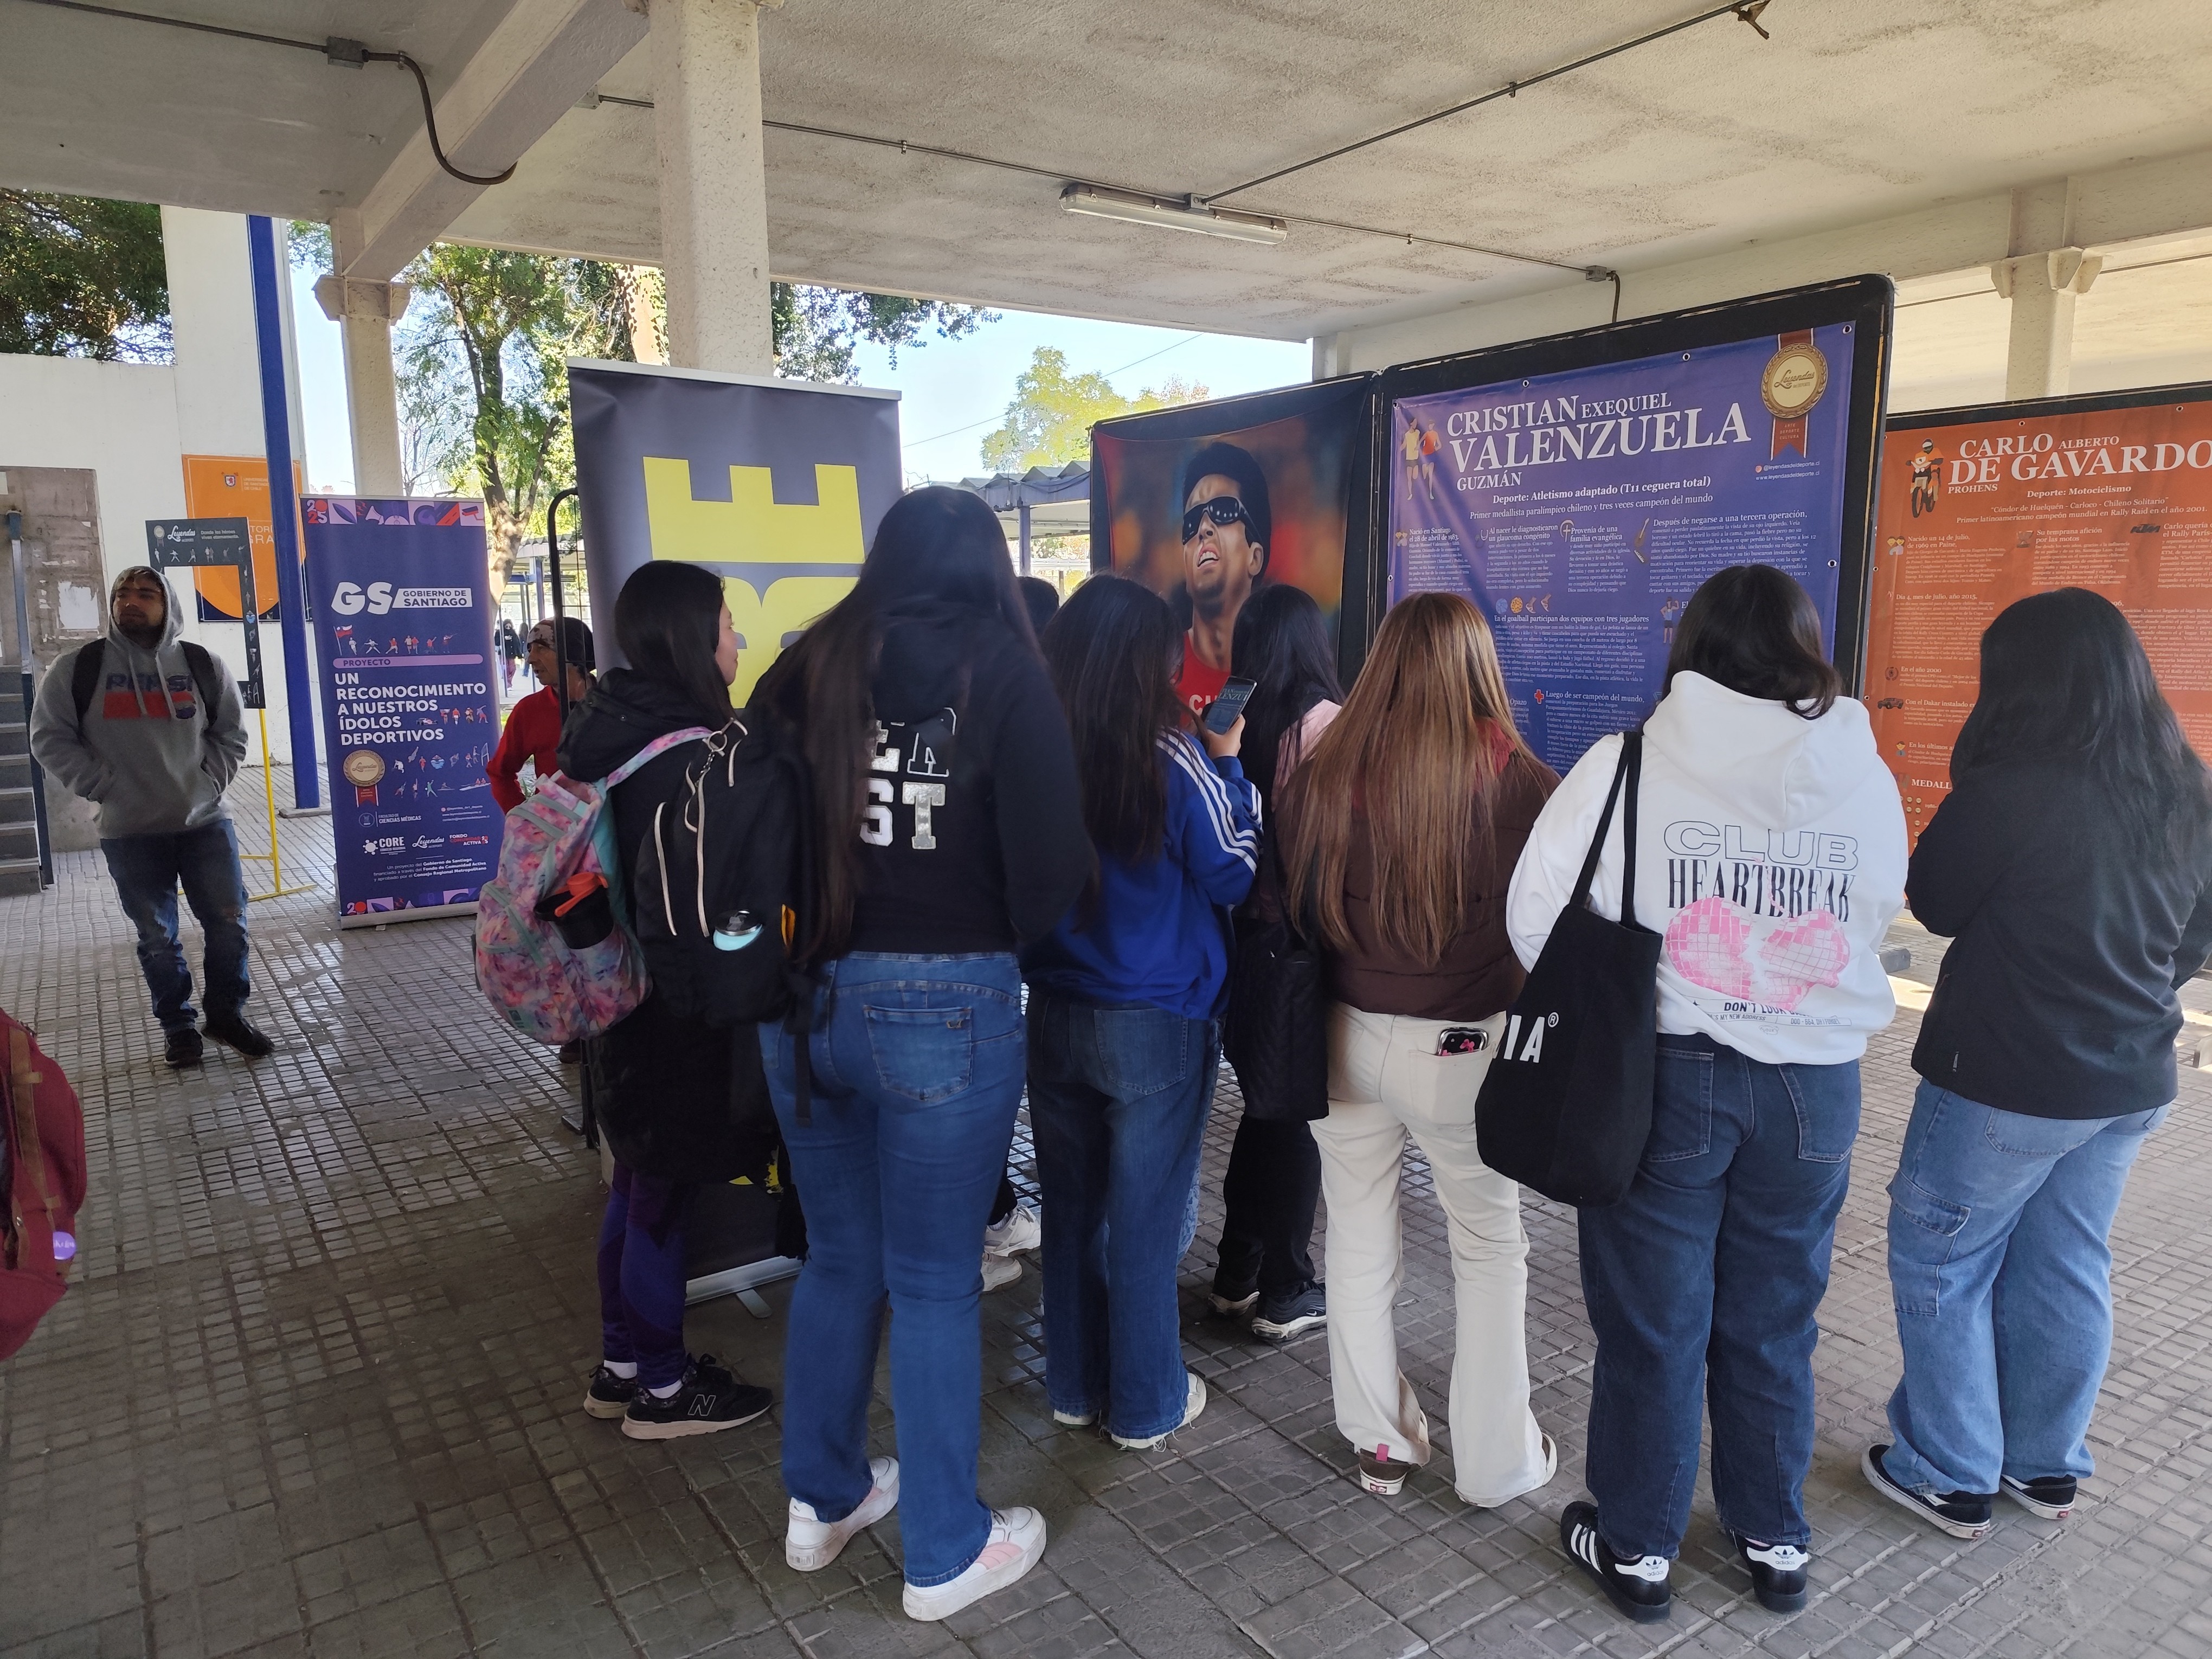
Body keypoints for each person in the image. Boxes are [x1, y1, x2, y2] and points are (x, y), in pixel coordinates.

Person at [1508, 564, 1907, 1622]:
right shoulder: (1863, 770)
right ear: (1805, 645)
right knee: (1778, 1321)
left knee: (1656, 1327)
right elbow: (1876, 913)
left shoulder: (1628, 763)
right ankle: (1773, 1537)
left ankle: (1637, 1551)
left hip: (1668, 1079)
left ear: (1690, 644)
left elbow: (1534, 914)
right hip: (1819, 1086)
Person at [751, 486, 1090, 1622]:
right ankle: (944, 1548)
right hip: (947, 1006)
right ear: (989, 567)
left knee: (840, 1259)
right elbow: (1050, 880)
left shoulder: (804, 670)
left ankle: (824, 1500)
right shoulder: (1001, 670)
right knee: (938, 1281)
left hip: (802, 1005)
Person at [1863, 588, 2212, 1542]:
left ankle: (1949, 1468)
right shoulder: (2185, 781)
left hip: (2005, 1078)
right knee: (2066, 1263)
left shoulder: (2014, 784)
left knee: (1944, 1254)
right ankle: (2043, 1465)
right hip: (2131, 1077)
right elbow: (2198, 936)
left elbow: (1933, 900)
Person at [1271, 591, 1555, 1508]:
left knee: (1356, 1240)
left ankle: (1379, 1444)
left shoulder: (1321, 773)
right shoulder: (1523, 783)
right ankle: (1495, 1463)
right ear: (1479, 666)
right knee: (1488, 1250)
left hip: (1342, 1042)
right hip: (1467, 1054)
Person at [1023, 575, 1260, 1449]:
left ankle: (1075, 1388)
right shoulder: (1170, 752)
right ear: (1145, 659)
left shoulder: (1029, 748)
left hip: (1051, 1006)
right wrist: (1230, 760)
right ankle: (1150, 1402)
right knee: (1146, 1221)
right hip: (1156, 1016)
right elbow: (1235, 868)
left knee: (1073, 1210)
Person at [556, 562, 775, 1442]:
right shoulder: (689, 755)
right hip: (668, 1009)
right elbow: (694, 907)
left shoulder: (603, 726)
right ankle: (661, 1388)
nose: (739, 639)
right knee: (656, 1202)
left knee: (636, 1186)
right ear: (693, 635)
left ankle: (621, 1364)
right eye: (728, 622)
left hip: (611, 995)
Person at [29, 565, 268, 1069]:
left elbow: (231, 734)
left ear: (168, 603)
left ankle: (226, 1015)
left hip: (204, 823)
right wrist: (103, 786)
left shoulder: (202, 664)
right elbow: (49, 738)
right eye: (123, 593)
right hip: (131, 830)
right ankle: (179, 1028)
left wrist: (207, 783)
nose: (131, 601)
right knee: (158, 938)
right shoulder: (79, 668)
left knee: (229, 925)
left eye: (146, 593)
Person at [1210, 583, 1342, 1343]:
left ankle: (1238, 1270)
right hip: (1303, 944)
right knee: (1291, 1115)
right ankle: (1287, 1287)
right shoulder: (1326, 726)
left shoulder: (1229, 714)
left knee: (1265, 1108)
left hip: (1243, 941)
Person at [972, 568, 1072, 1294]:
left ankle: (996, 1207)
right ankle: (985, 1219)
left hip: (852, 977)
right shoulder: (1024, 705)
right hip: (980, 960)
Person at [1174, 441, 1269, 718]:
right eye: (1192, 521)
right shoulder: (1157, 670)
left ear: (1255, 558)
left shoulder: (1279, 675)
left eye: (1224, 511)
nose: (1204, 528)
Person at [488, 617, 594, 813]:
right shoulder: (529, 711)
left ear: (572, 652)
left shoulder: (612, 704)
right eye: (530, 649)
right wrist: (527, 822)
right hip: (557, 838)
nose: (530, 659)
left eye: (542, 648)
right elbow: (499, 773)